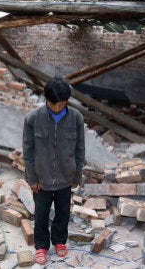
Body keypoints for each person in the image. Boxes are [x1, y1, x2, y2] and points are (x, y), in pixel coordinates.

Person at [22, 76, 85, 265]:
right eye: (52, 104)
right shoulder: (32, 119)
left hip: (66, 178)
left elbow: (80, 149)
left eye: (61, 104)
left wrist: (77, 174)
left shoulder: (76, 118)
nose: (56, 108)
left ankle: (59, 241)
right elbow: (28, 151)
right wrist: (32, 177)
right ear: (46, 100)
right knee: (40, 214)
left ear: (67, 101)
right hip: (42, 179)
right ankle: (41, 246)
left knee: (62, 213)